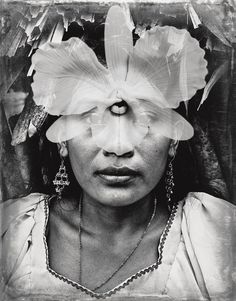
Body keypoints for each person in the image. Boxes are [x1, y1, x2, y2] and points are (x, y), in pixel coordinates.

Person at [1, 5, 235, 301]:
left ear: (174, 139)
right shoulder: (13, 235)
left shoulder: (217, 238)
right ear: (62, 140)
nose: (118, 146)